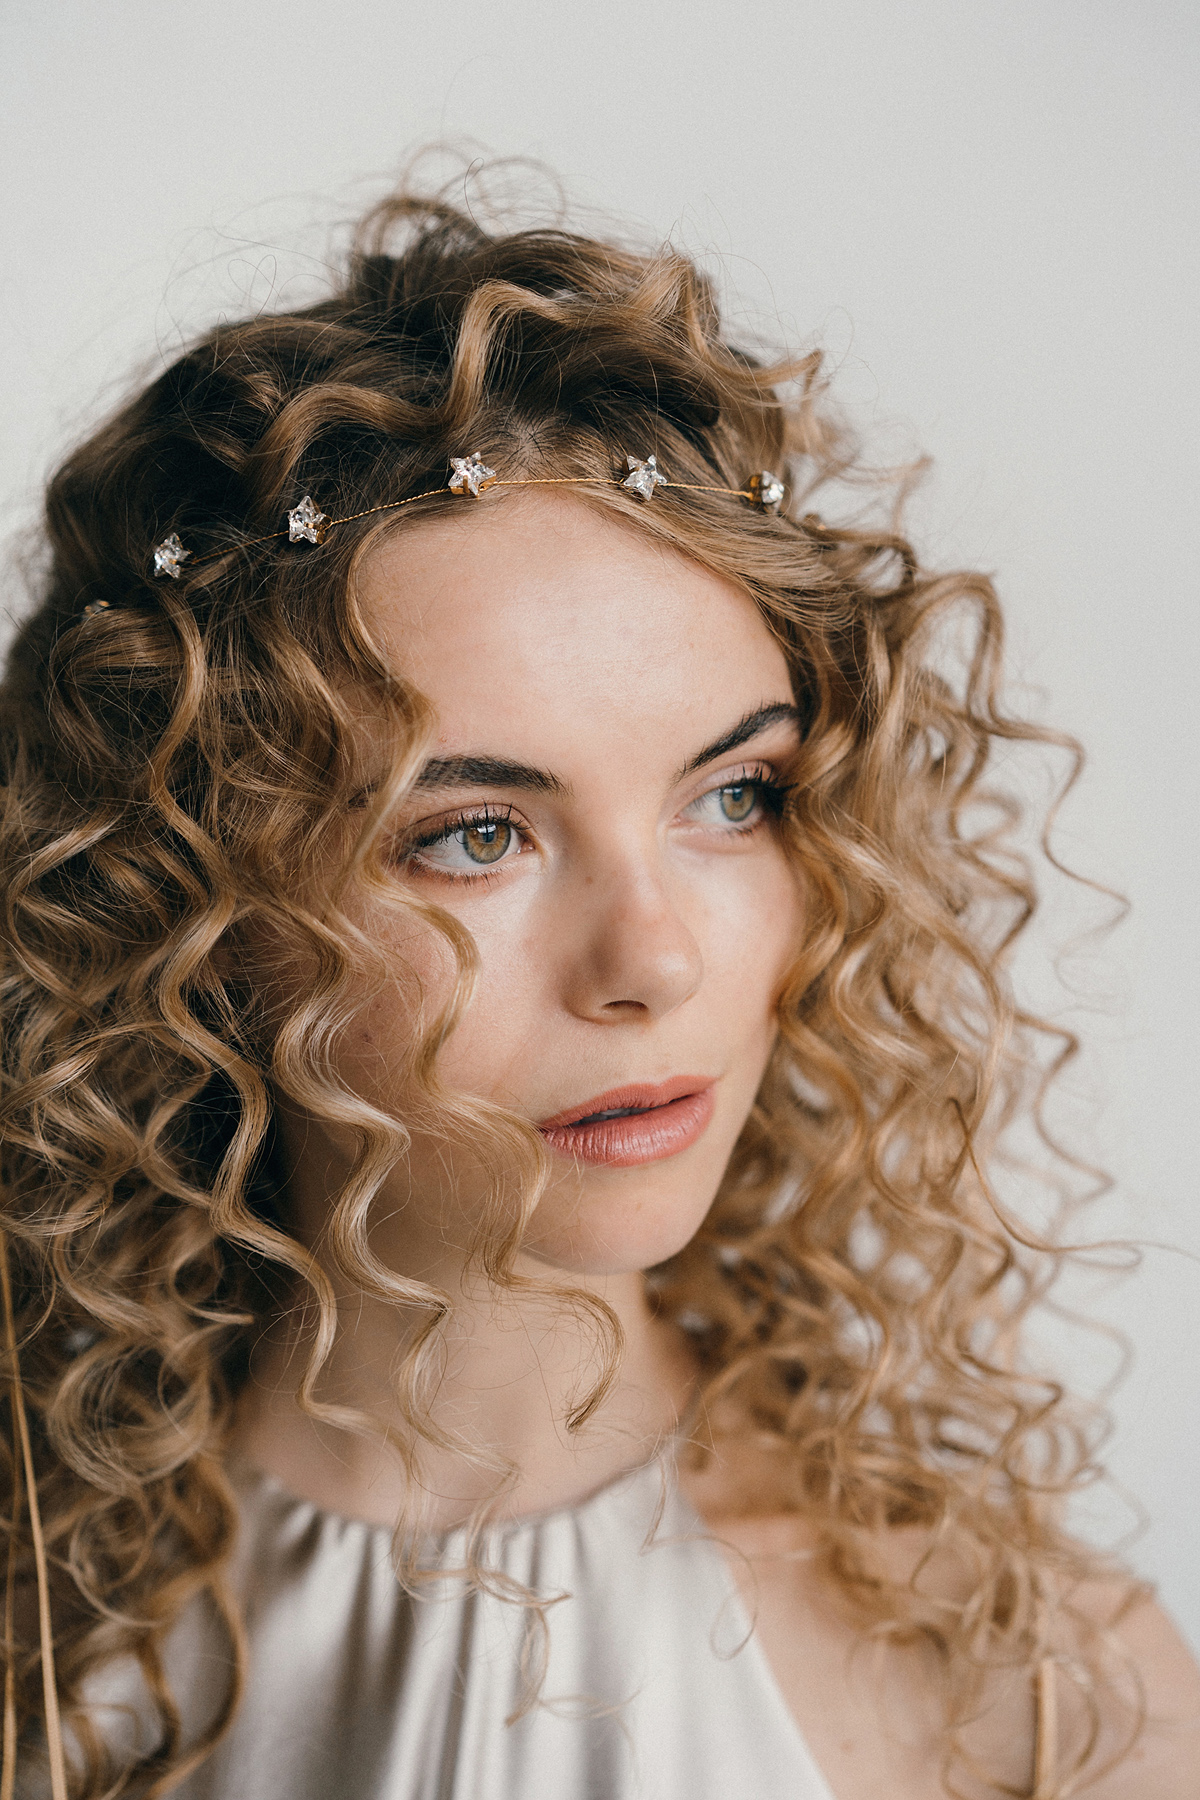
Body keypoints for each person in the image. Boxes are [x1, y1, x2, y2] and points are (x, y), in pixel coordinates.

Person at [0, 177, 1196, 1800]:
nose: (659, 960)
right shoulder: (44, 1662)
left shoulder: (1028, 1690)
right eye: (477, 834)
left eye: (733, 798)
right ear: (189, 904)